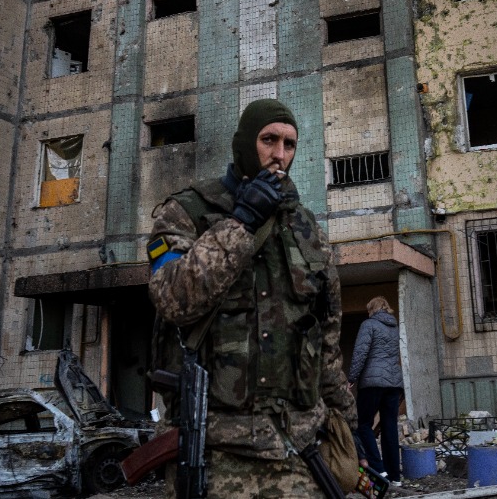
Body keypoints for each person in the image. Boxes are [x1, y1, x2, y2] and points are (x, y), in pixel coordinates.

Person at [146, 98, 357, 497]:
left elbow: (327, 345)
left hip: (300, 453)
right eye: (269, 140)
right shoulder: (186, 212)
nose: (279, 155)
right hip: (216, 453)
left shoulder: (306, 228)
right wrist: (241, 223)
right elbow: (172, 298)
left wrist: (350, 428)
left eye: (289, 144)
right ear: (244, 144)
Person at [347, 296, 404, 486]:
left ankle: (379, 471)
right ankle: (395, 477)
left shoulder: (368, 324)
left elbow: (360, 352)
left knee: (363, 424)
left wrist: (351, 378)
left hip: (372, 383)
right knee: (389, 428)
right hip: (393, 384)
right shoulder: (394, 327)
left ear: (372, 309)